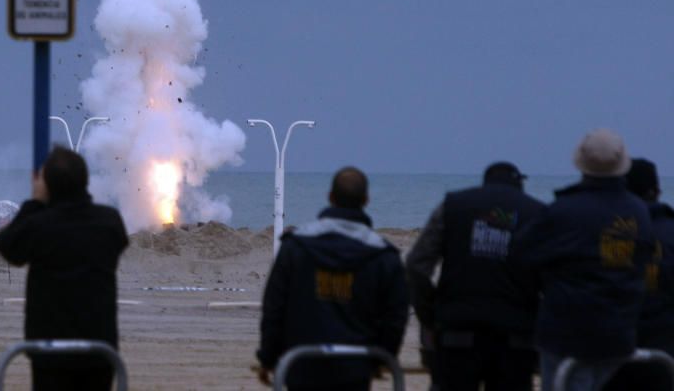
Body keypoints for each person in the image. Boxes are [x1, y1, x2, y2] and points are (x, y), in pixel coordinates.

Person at [512, 129, 654, 391]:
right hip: (620, 333)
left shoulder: (562, 210)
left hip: (564, 332)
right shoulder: (639, 213)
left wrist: (546, 284)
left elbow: (520, 256)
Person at [256, 166, 409, 391]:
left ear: (330, 197)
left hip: (301, 367)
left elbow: (273, 309)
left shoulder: (296, 247)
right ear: (366, 200)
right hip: (356, 369)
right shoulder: (384, 257)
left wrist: (268, 357)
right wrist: (380, 359)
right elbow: (395, 317)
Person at [0, 147, 129, 391]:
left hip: (49, 353)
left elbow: (8, 247)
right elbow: (119, 242)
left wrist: (35, 202)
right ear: (85, 181)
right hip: (99, 351)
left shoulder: (39, 225)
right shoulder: (109, 221)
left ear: (47, 185)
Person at [406, 162, 545, 391]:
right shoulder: (537, 213)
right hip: (516, 338)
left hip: (457, 333)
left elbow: (416, 266)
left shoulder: (454, 205)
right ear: (519, 184)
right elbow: (553, 276)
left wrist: (431, 313)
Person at [603, 158, 674, 390]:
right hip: (664, 349)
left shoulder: (603, 231)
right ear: (655, 191)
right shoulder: (669, 232)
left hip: (608, 348)